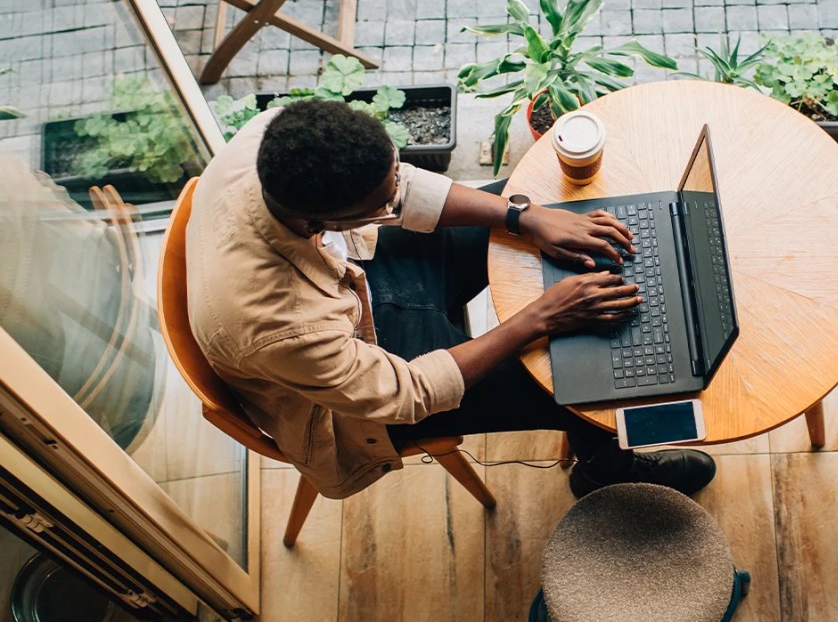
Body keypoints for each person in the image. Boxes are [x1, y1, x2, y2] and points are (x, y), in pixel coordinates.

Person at [185, 99, 715, 501]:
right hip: (366, 379)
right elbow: (406, 394)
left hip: (356, 276)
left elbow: (399, 187)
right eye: (383, 203)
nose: (397, 195)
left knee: (536, 205)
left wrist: (523, 216)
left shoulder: (274, 139)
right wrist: (541, 316)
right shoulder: (276, 324)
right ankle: (606, 473)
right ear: (323, 222)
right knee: (580, 383)